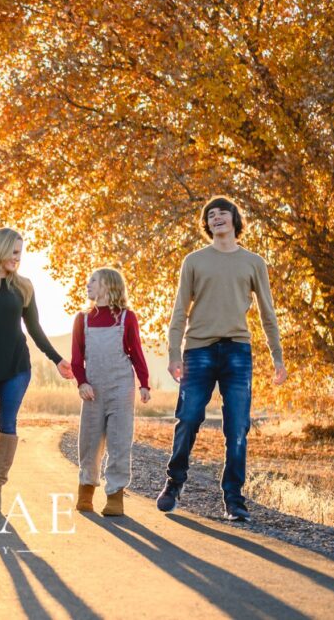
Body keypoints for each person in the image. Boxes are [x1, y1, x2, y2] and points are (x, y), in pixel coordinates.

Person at [157, 196, 288, 522]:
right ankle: (174, 482)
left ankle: (233, 498)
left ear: (234, 219)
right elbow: (179, 312)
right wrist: (174, 354)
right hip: (198, 350)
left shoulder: (253, 262)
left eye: (222, 213)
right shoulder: (194, 261)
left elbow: (267, 313)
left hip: (238, 352)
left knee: (238, 428)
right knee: (188, 418)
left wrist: (278, 357)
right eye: (210, 215)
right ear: (207, 224)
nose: (216, 218)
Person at [0, 228, 73, 512]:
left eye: (20, 253)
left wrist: (57, 359)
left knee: (7, 424)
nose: (17, 258)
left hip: (16, 367)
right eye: (13, 252)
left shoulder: (23, 286)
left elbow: (34, 328)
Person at [72, 268, 151, 516]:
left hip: (121, 387)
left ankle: (115, 495)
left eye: (93, 280)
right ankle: (86, 490)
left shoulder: (127, 318)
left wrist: (144, 384)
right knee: (90, 441)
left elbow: (136, 352)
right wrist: (82, 382)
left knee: (119, 441)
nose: (88, 284)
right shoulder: (82, 319)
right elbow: (76, 358)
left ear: (109, 285)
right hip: (93, 389)